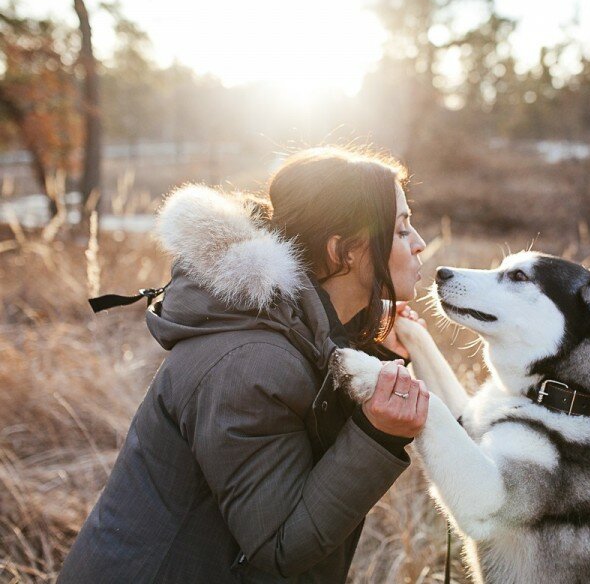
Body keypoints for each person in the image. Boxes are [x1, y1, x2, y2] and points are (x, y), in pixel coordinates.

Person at [58, 147, 429, 583]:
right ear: (342, 252)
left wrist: (372, 342)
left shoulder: (291, 330)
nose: (420, 242)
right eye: (402, 229)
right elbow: (281, 545)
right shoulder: (249, 365)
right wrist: (377, 434)